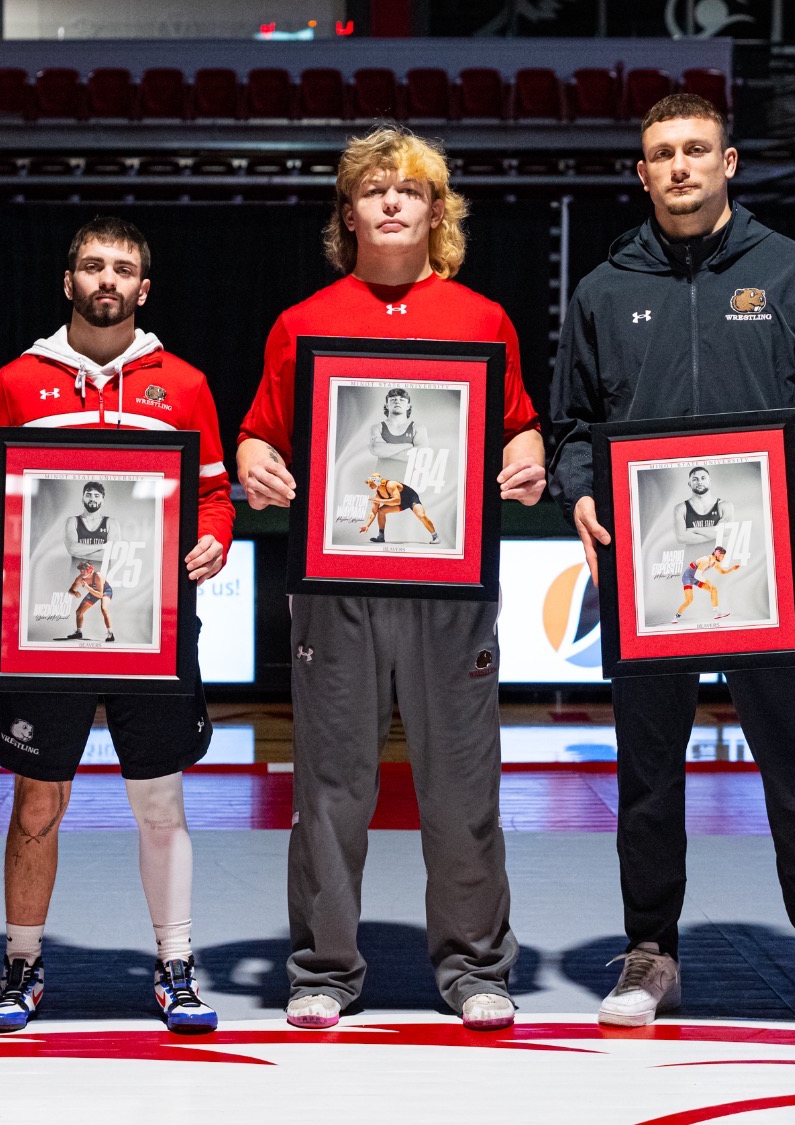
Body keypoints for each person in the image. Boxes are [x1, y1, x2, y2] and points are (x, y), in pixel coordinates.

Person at [549, 94, 795, 1036]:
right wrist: (578, 485)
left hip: (769, 569)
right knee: (647, 772)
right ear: (642, 172)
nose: (681, 166)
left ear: (730, 160)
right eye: (663, 153)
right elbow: (573, 425)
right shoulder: (602, 291)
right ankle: (650, 953)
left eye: (698, 149)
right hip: (651, 576)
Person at [236, 126, 547, 1033]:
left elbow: (520, 426)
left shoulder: (482, 319)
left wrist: (525, 460)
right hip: (337, 587)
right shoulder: (303, 321)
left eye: (410, 190)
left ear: (436, 211)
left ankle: (474, 964)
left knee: (462, 785)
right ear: (349, 211)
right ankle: (324, 967)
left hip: (452, 590)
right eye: (373, 189)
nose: (392, 202)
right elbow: (260, 433)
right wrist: (256, 462)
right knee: (333, 784)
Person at [0, 216, 235, 1033]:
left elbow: (214, 495)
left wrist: (215, 538)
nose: (105, 279)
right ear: (68, 282)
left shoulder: (182, 384)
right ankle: (20, 964)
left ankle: (176, 965)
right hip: (42, 629)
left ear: (143, 289)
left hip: (154, 623)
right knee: (37, 799)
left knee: (160, 800)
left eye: (122, 269)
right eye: (91, 266)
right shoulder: (16, 381)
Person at [359, 472, 437, 544]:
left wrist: (379, 500)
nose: (369, 486)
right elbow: (373, 512)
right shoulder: (378, 495)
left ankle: (435, 536)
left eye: (371, 483)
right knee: (381, 511)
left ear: (377, 482)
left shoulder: (390, 485)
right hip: (400, 503)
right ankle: (381, 537)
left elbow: (397, 501)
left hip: (410, 498)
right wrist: (367, 525)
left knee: (421, 516)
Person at [672, 546, 739, 624]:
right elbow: (697, 575)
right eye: (722, 556)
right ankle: (676, 617)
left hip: (696, 577)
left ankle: (716, 613)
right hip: (688, 577)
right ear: (717, 554)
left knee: (713, 589)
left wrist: (732, 568)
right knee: (689, 600)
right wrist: (708, 582)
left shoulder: (714, 562)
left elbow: (722, 572)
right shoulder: (706, 560)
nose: (723, 558)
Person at [672, 465, 731, 543]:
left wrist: (693, 530)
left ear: (710, 482)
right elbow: (681, 538)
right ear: (689, 484)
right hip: (692, 555)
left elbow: (726, 532)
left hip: (717, 555)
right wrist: (716, 532)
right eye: (695, 479)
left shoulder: (724, 506)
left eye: (703, 478)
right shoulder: (681, 508)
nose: (699, 482)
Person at [65, 560, 113, 641]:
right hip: (93, 591)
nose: (82, 572)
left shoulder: (98, 576)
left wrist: (87, 588)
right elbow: (70, 590)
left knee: (103, 608)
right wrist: (74, 592)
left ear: (90, 570)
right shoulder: (80, 578)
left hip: (105, 591)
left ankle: (110, 634)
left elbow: (100, 595)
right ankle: (79, 633)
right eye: (80, 570)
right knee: (79, 612)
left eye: (84, 570)